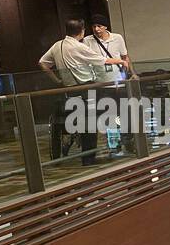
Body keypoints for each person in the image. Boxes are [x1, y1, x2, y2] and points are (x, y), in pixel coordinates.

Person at [38, 17, 128, 165]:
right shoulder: (79, 47)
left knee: (84, 120)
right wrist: (120, 61)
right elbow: (102, 60)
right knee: (96, 119)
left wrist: (56, 80)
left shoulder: (57, 46)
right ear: (81, 31)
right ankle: (89, 157)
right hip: (87, 89)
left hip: (69, 90)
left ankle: (77, 140)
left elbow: (42, 63)